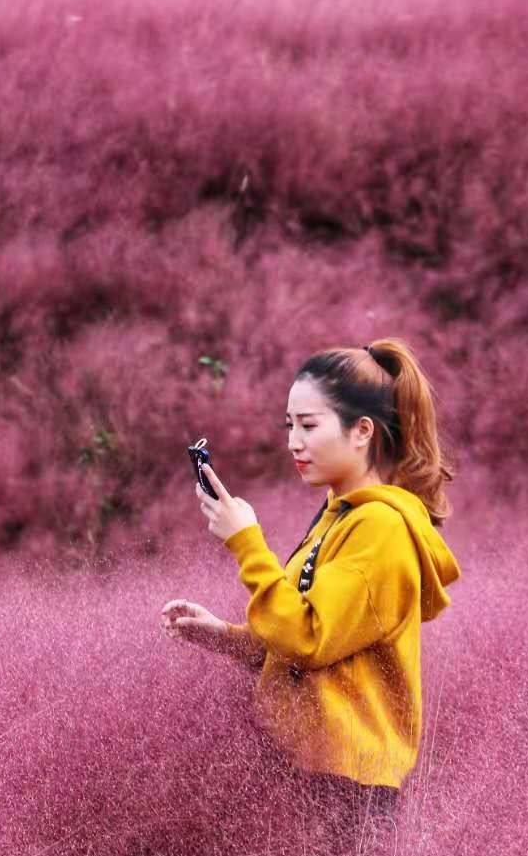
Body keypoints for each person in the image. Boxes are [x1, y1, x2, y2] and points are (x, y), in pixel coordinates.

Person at [160, 338, 461, 809]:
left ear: (361, 431)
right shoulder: (339, 517)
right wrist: (227, 637)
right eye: (288, 425)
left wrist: (246, 541)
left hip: (347, 787)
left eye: (308, 425)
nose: (293, 442)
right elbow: (300, 638)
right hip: (307, 769)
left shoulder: (381, 529)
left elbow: (308, 639)